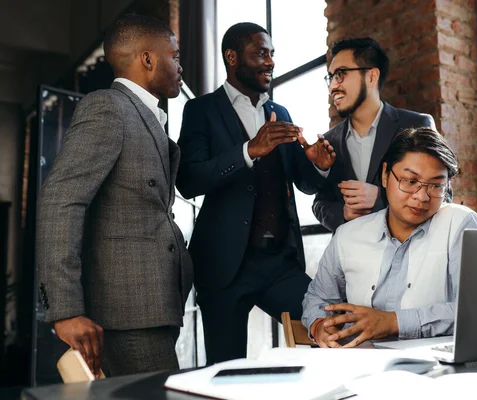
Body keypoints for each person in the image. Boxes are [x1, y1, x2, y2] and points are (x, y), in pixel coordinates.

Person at [36, 14, 193, 376]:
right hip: (126, 313)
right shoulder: (108, 107)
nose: (180, 67)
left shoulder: (144, 116)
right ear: (148, 59)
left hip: (154, 308)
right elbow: (61, 199)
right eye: (176, 56)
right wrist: (66, 310)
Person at [176, 22, 336, 364]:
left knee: (329, 332)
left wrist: (318, 166)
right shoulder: (201, 111)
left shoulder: (281, 113)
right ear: (232, 57)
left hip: (280, 264)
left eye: (272, 54)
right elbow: (189, 180)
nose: (270, 62)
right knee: (227, 370)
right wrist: (249, 150)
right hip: (223, 267)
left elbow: (304, 183)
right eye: (260, 53)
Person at [302, 127, 477, 348]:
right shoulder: (347, 235)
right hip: (361, 366)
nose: (421, 196)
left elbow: (474, 308)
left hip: (435, 368)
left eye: (436, 185)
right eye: (409, 181)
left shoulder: (461, 224)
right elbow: (317, 297)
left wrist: (392, 322)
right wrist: (319, 325)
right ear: (385, 175)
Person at [313, 37, 436, 232]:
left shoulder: (416, 125)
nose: (332, 87)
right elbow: (320, 204)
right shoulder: (329, 142)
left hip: (409, 255)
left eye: (341, 74)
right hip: (351, 257)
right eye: (331, 77)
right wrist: (344, 213)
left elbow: (441, 195)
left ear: (371, 77)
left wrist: (381, 199)